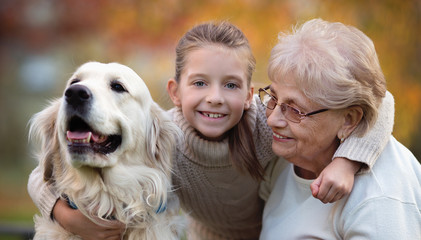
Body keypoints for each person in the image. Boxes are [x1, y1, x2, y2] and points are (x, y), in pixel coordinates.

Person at [27, 21, 394, 240]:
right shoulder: (165, 136)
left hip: (273, 231)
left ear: (250, 95)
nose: (215, 99)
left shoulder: (266, 124)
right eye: (200, 84)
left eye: (231, 86)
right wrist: (64, 215)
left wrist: (347, 161)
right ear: (175, 92)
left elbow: (382, 102)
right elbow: (42, 173)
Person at [259, 18, 421, 239]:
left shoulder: (378, 201)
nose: (272, 120)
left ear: (348, 120)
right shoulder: (288, 157)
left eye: (295, 110)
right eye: (273, 97)